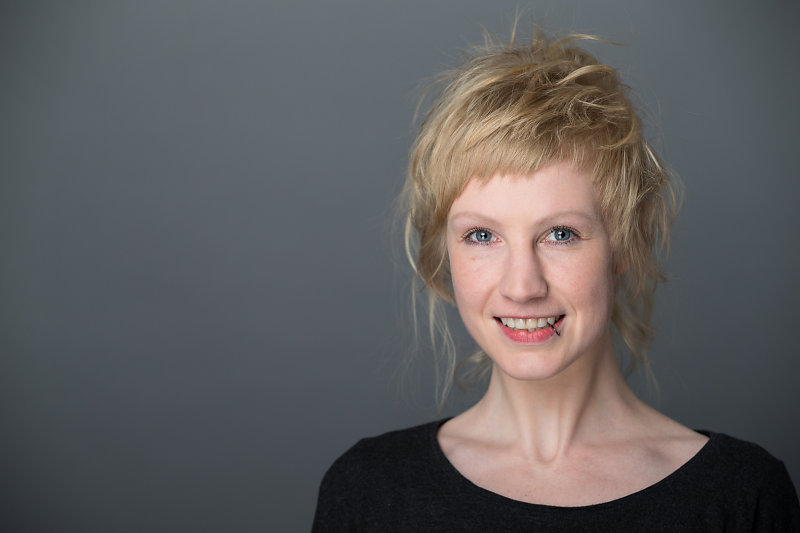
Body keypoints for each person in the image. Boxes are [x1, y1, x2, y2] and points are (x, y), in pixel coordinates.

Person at [312, 27, 800, 532]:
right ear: (445, 253)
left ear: (624, 244)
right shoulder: (368, 490)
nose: (523, 287)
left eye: (560, 234)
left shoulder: (742, 496)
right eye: (482, 235)